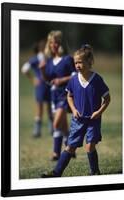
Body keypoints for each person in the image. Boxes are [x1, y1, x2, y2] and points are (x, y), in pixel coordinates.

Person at [41, 44, 111, 177]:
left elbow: (107, 98)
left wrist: (99, 112)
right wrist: (73, 109)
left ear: (89, 62)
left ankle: (95, 172)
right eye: (75, 62)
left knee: (90, 146)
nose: (77, 65)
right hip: (77, 119)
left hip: (93, 120)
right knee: (70, 146)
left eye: (80, 62)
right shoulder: (73, 80)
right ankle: (56, 172)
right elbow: (69, 96)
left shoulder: (97, 79)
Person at [39, 30, 76, 160]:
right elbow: (48, 80)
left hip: (66, 94)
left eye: (56, 42)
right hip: (54, 95)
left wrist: (61, 80)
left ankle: (56, 153)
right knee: (62, 125)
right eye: (51, 42)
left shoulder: (67, 59)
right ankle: (70, 148)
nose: (53, 45)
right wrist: (43, 71)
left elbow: (75, 75)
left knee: (55, 124)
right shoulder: (49, 61)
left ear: (60, 43)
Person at [21, 40, 53, 137]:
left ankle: (52, 129)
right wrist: (32, 79)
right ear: (42, 48)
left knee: (48, 108)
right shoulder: (36, 59)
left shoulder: (49, 58)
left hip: (49, 85)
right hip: (41, 86)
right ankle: (37, 131)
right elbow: (24, 69)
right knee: (40, 108)